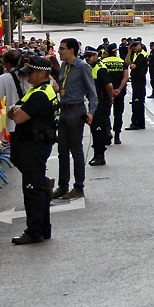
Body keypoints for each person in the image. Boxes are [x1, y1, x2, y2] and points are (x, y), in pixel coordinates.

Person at [7, 56, 58, 245]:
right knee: (38, 187)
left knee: (32, 190)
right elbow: (14, 111)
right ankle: (43, 228)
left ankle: (34, 231)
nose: (27, 76)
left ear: (42, 74)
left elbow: (17, 116)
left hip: (33, 146)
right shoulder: (40, 89)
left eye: (31, 73)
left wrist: (14, 110)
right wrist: (14, 110)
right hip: (35, 145)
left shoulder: (40, 94)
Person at [52, 38, 97, 203]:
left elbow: (92, 92)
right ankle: (63, 185)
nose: (59, 51)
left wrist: (91, 112)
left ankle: (79, 187)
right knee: (62, 151)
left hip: (76, 110)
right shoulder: (64, 66)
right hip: (64, 110)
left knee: (76, 150)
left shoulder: (83, 67)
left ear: (71, 50)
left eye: (62, 48)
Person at [87, 47, 112, 166]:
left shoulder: (99, 68)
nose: (87, 58)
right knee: (95, 129)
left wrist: (110, 99)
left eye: (90, 56)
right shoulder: (91, 68)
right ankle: (97, 153)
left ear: (96, 56)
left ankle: (100, 156)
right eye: (86, 56)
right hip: (95, 102)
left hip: (101, 103)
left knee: (98, 129)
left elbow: (109, 86)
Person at [99, 46, 129, 144]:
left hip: (106, 92)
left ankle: (107, 133)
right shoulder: (122, 62)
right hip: (119, 92)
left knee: (105, 114)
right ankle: (117, 136)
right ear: (115, 52)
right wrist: (119, 89)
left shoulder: (102, 63)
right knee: (118, 114)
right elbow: (125, 77)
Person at [126, 39, 149, 130]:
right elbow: (127, 62)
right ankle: (140, 123)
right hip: (136, 80)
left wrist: (131, 62)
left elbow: (132, 66)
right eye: (132, 46)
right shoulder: (136, 54)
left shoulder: (142, 54)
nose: (133, 48)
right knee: (138, 102)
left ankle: (135, 122)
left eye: (135, 46)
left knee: (137, 102)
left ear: (140, 45)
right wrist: (129, 51)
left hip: (139, 80)